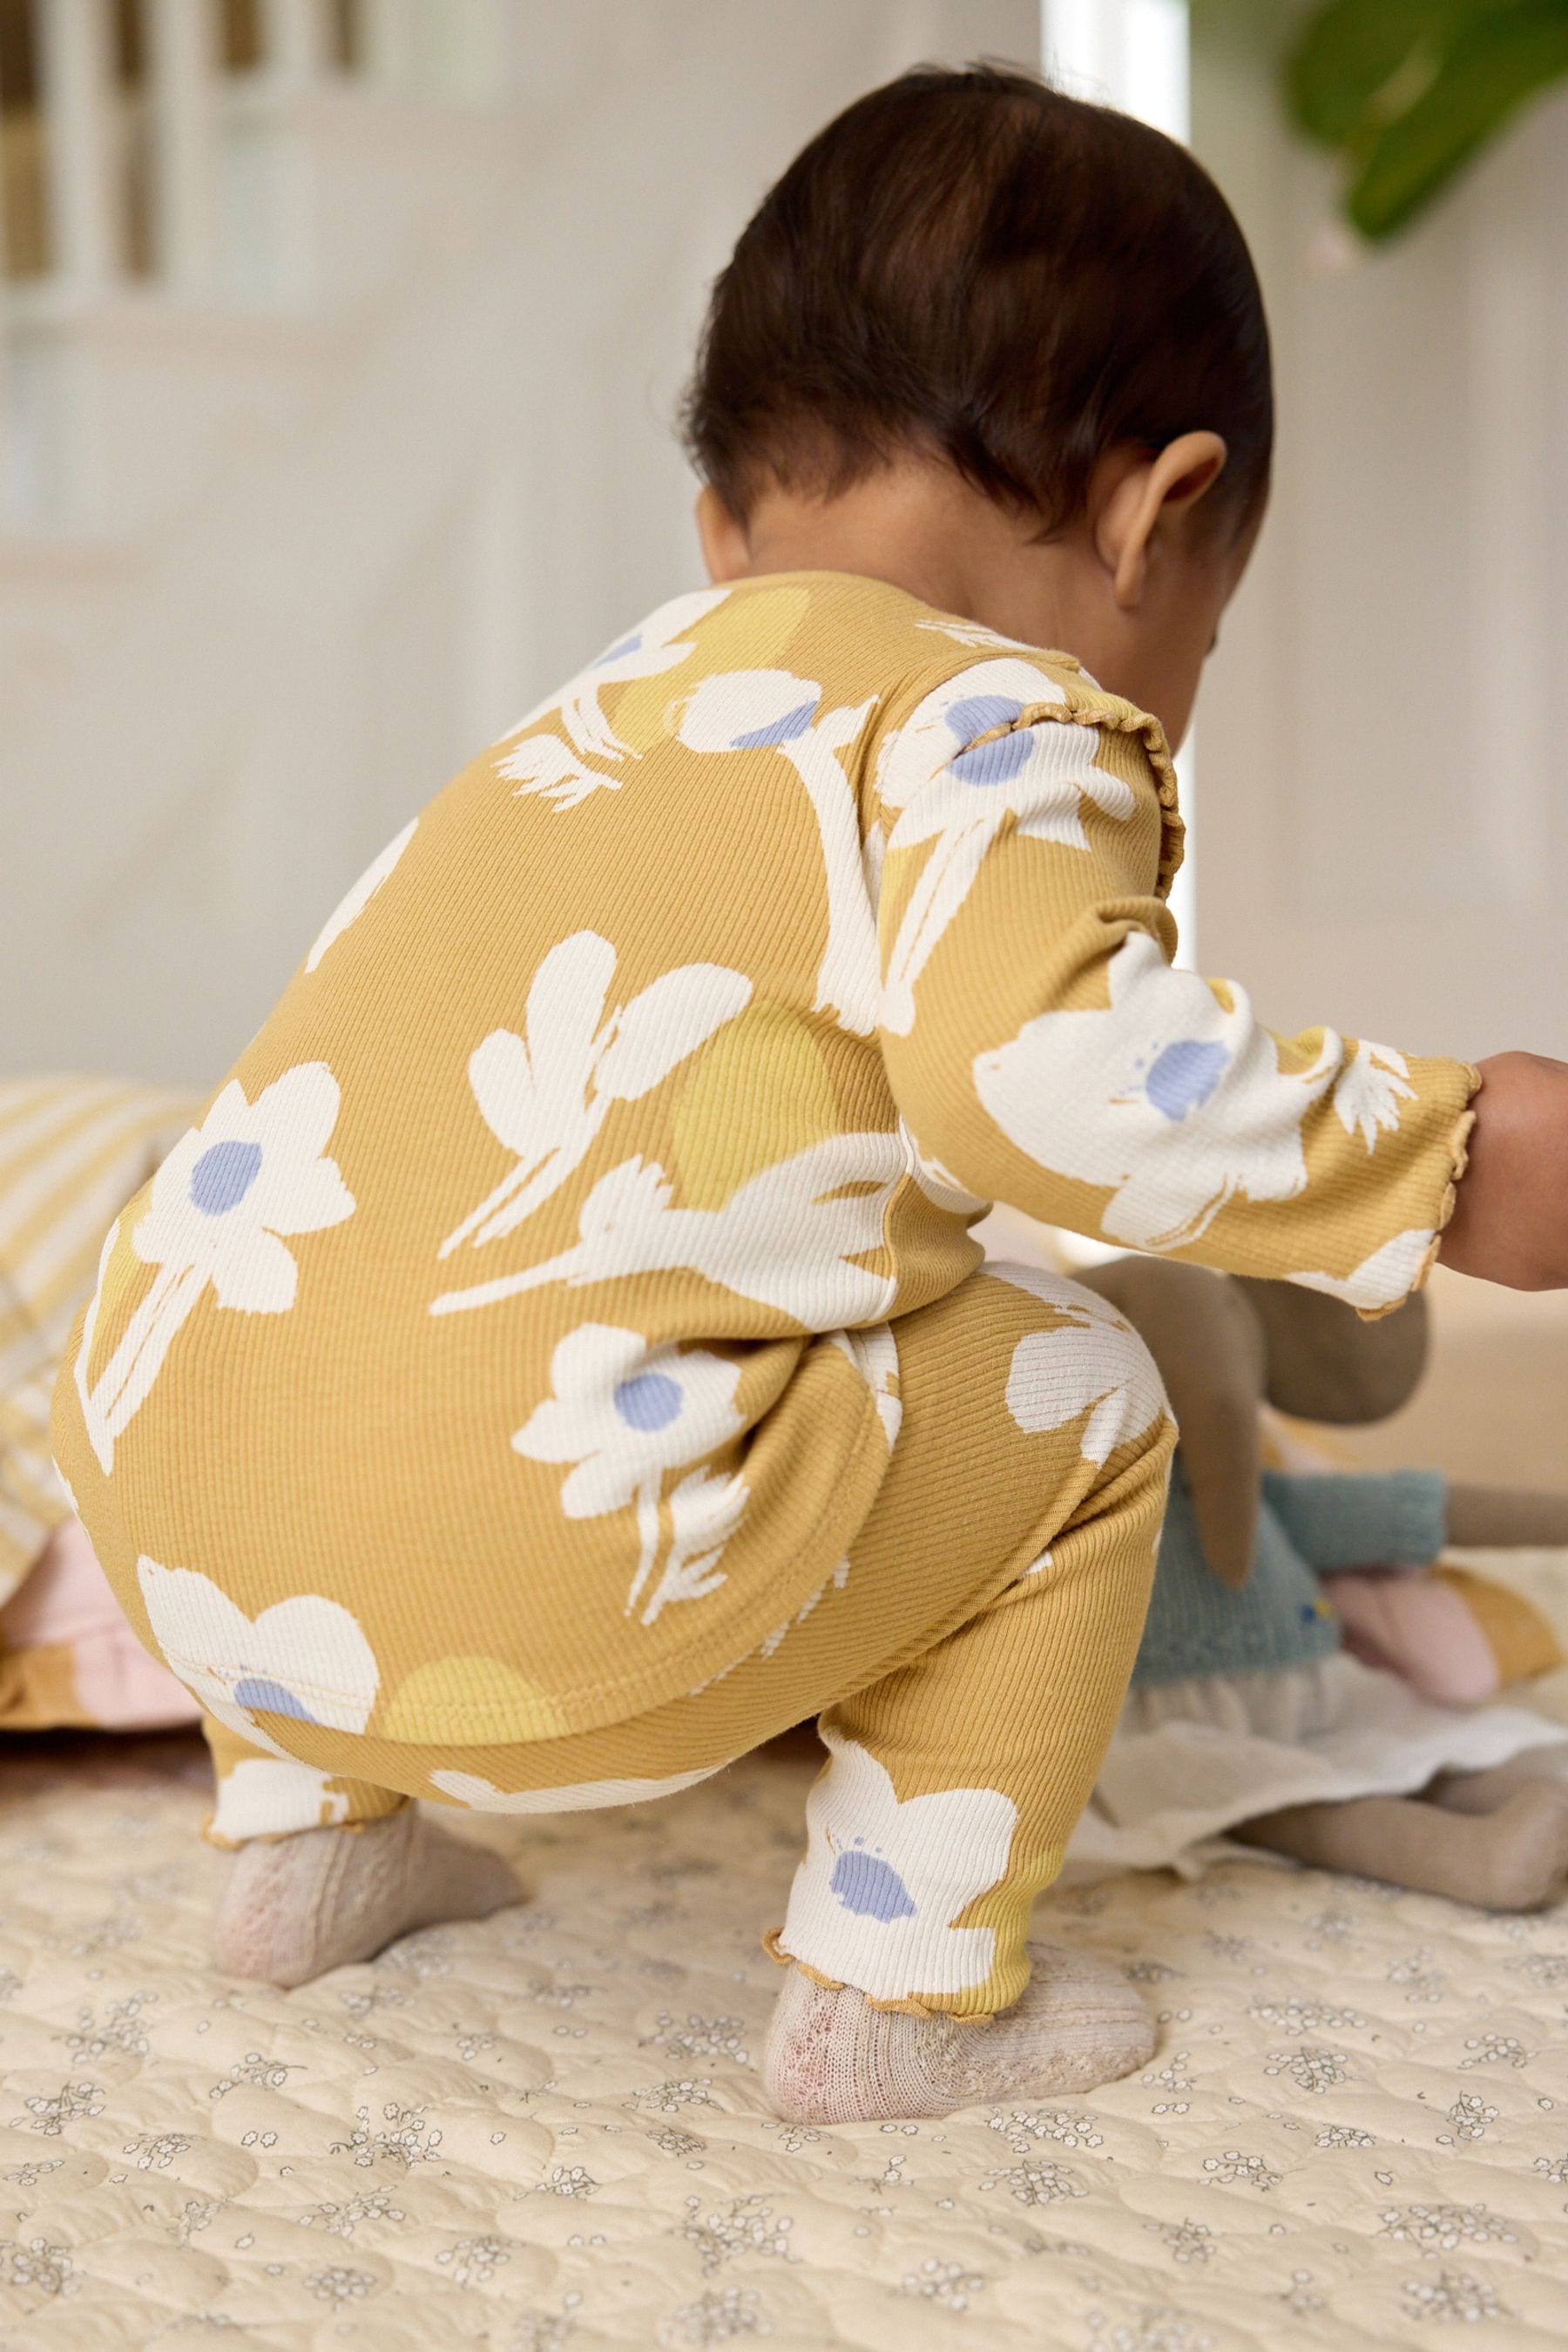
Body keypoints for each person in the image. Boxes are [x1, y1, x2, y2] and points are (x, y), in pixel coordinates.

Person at [51, 66, 1568, 2126]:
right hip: (529, 1580)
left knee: (330, 1295)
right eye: (1194, 649)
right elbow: (1065, 1094)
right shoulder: (999, 714)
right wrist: (1453, 1163)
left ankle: (309, 1854)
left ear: (722, 529)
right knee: (1085, 1391)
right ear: (1158, 515)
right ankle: (898, 1993)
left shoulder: (589, 721)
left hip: (178, 1511)